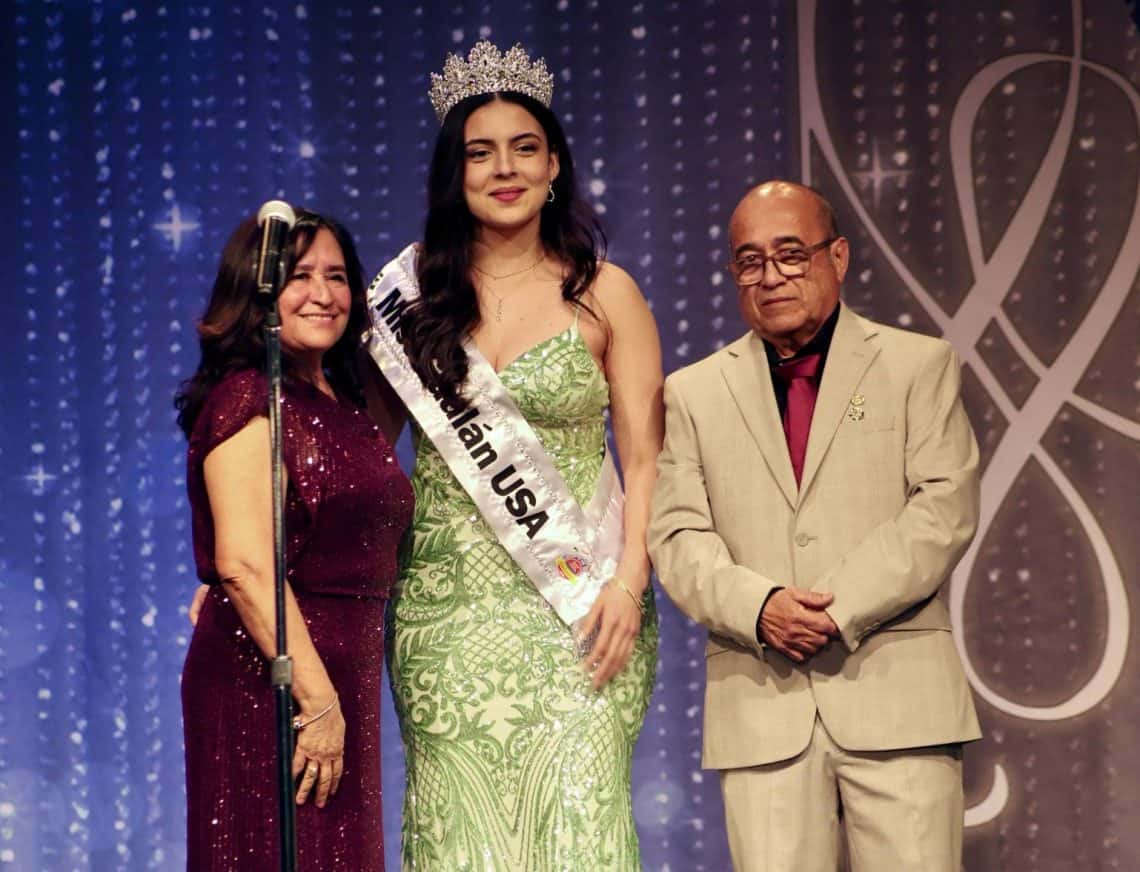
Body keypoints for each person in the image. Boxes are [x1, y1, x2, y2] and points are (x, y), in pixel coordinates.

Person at [366, 41, 662, 870]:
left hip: (583, 604)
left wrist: (631, 587)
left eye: (525, 148)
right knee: (462, 835)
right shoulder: (411, 302)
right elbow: (359, 458)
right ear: (453, 174)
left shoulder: (607, 292)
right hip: (445, 618)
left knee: (580, 825)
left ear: (555, 164)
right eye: (480, 151)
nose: (505, 168)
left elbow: (646, 463)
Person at [647, 180, 982, 872]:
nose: (770, 277)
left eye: (791, 255)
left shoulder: (918, 364)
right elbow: (677, 536)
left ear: (839, 256)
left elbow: (942, 508)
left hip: (898, 702)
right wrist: (760, 606)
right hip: (763, 712)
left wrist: (837, 608)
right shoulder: (694, 392)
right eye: (749, 261)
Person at [176, 209, 413, 870]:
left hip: (338, 679)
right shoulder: (250, 397)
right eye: (298, 275)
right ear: (256, 291)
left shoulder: (341, 401)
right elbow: (247, 565)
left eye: (338, 277)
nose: (324, 294)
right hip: (273, 684)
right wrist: (316, 703)